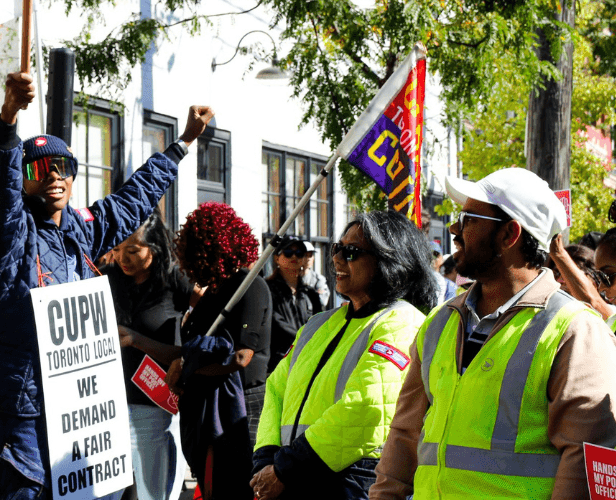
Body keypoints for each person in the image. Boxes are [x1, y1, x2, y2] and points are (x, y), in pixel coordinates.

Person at [0, 70, 214, 500]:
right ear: (24, 179)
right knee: (25, 492)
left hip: (75, 405)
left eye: (63, 167)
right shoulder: (10, 232)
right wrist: (7, 121)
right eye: (40, 168)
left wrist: (182, 144)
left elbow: (133, 199)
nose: (53, 175)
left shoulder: (82, 232)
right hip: (20, 403)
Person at [369, 168, 616, 499]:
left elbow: (585, 460)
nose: (455, 229)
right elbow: (404, 434)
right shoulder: (440, 322)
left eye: (469, 218)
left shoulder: (575, 329)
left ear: (509, 234)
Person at [251, 210, 436, 500]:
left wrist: (283, 468)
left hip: (348, 481)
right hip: (293, 475)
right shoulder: (319, 324)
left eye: (351, 252)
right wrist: (265, 459)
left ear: (388, 261)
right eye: (338, 249)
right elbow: (275, 389)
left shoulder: (402, 322)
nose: (336, 258)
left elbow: (366, 406)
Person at [166, 202, 272, 500]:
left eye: (202, 249)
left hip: (241, 407)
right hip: (204, 407)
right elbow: (192, 346)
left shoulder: (251, 286)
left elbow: (241, 357)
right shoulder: (211, 291)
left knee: (237, 488)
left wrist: (187, 366)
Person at [107, 213, 197, 500]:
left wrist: (136, 340)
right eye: (118, 249)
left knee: (151, 493)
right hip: (107, 402)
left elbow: (197, 342)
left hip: (154, 403)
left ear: (155, 247)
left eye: (133, 250)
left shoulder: (176, 279)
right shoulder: (107, 277)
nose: (123, 258)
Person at [265, 236, 325, 374]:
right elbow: (276, 323)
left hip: (306, 362)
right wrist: (303, 339)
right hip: (277, 364)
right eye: (288, 252)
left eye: (299, 253)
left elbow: (320, 324)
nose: (294, 256)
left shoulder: (310, 294)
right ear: (276, 258)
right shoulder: (267, 289)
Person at [298, 242, 330, 309]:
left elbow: (323, 301)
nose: (308, 259)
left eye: (310, 255)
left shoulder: (319, 279)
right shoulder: (292, 277)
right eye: (305, 255)